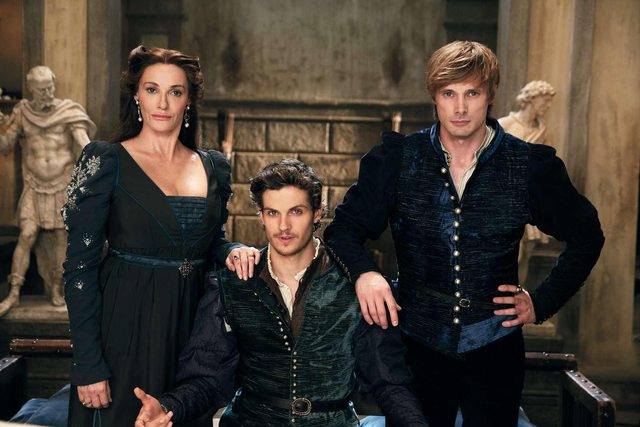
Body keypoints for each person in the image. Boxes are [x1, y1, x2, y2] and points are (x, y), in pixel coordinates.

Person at [324, 41, 604, 426]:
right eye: (448, 94)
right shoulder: (399, 159)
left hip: (495, 348)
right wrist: (365, 274)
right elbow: (342, 230)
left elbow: (588, 235)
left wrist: (542, 302)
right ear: (434, 98)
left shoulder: (527, 166)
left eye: (471, 93)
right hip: (416, 345)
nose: (459, 108)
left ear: (490, 96)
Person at [133, 159, 428, 427]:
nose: (283, 226)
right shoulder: (230, 284)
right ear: (261, 216)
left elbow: (389, 381)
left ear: (317, 213)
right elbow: (205, 378)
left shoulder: (356, 285)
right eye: (273, 213)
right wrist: (169, 407)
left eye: (296, 211)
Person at [61, 46, 259, 426]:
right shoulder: (107, 161)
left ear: (189, 100)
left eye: (175, 91)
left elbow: (211, 240)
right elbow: (79, 270)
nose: (163, 103)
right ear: (137, 96)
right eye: (152, 89)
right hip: (124, 329)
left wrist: (233, 249)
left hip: (193, 331)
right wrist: (88, 363)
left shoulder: (213, 166)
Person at [0, 65, 96, 317]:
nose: (48, 93)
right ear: (31, 89)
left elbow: (84, 145)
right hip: (34, 185)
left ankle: (56, 288)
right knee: (27, 234)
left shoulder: (68, 111)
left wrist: (96, 165)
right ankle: (13, 292)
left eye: (50, 87)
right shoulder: (22, 112)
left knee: (61, 237)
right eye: (42, 90)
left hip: (62, 183)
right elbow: (5, 146)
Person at [499, 80, 556, 283]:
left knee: (527, 251)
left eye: (549, 101)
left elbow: (548, 164)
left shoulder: (543, 131)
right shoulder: (506, 124)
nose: (548, 105)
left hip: (530, 195)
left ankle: (517, 291)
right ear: (531, 98)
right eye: (545, 100)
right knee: (510, 250)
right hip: (506, 195)